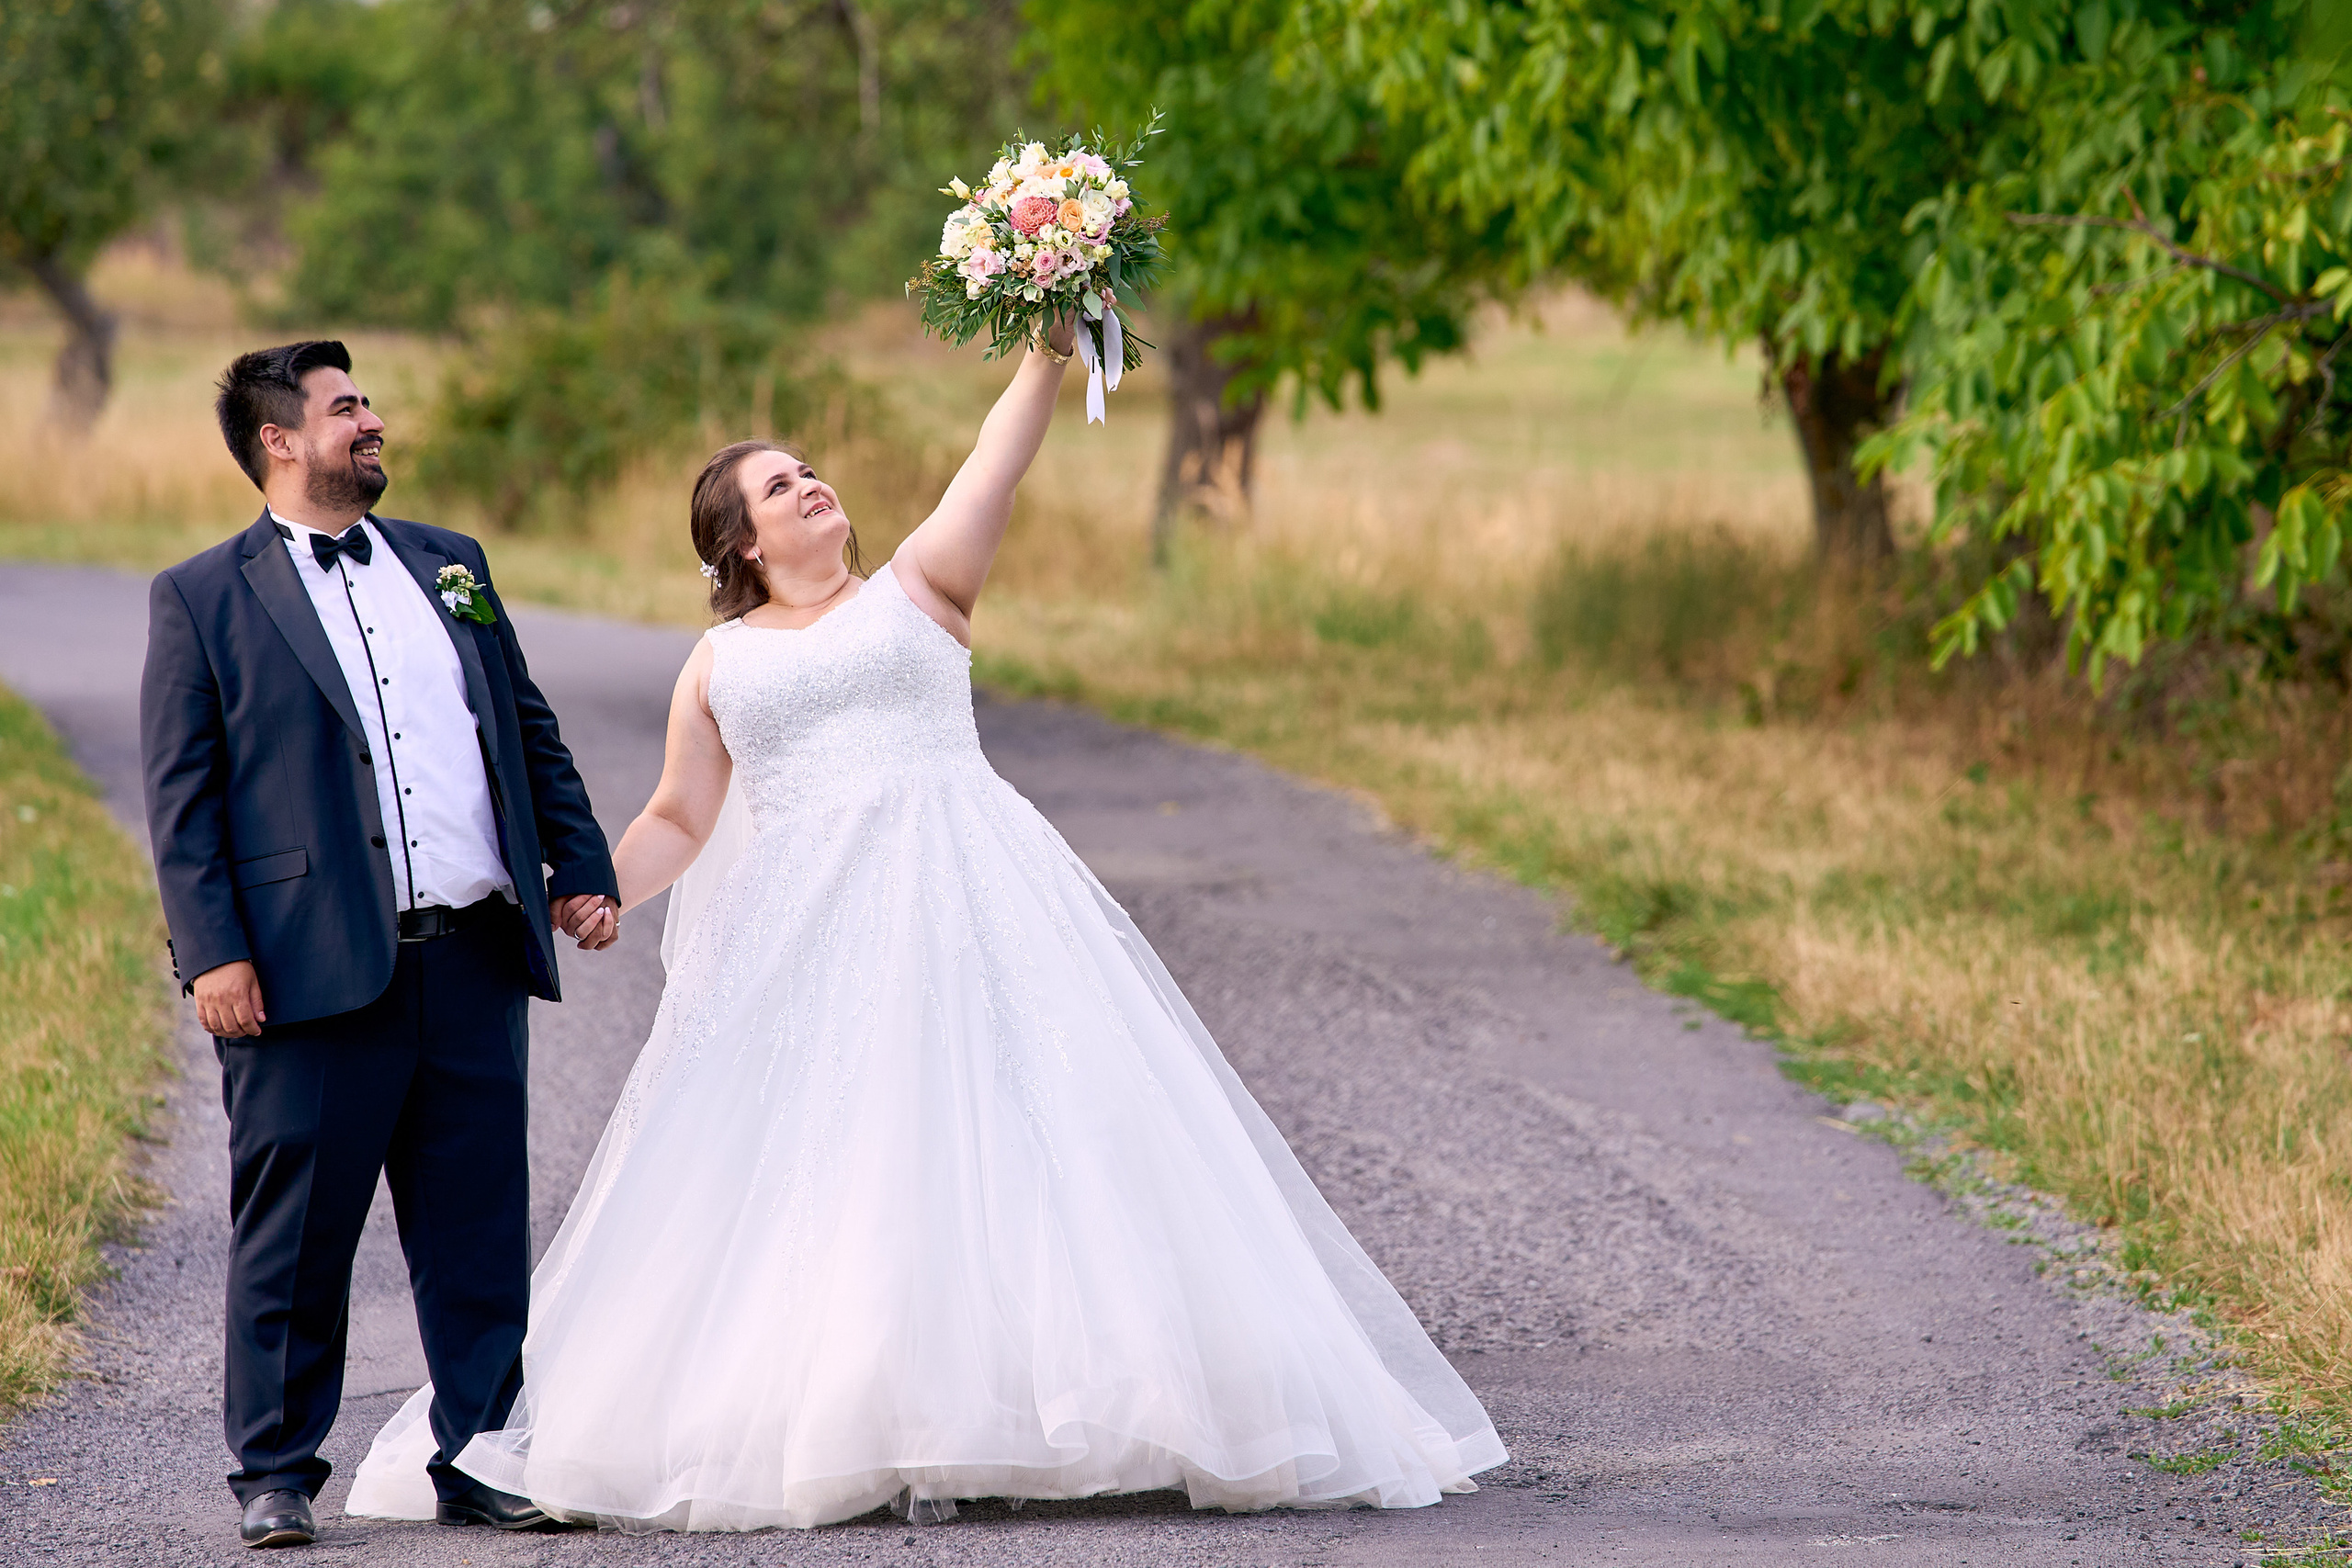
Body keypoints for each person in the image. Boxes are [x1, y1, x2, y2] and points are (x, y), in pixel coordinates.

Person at [347, 314, 1505, 1530]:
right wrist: (592, 895)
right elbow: (682, 813)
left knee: (1033, 1131)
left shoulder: (920, 587)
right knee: (845, 1158)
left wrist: (1045, 349)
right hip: (811, 931)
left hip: (974, 892)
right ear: (741, 541)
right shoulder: (719, 662)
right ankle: (857, 1408)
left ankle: (1078, 1396)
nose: (810, 486)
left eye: (808, 470)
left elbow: (997, 459)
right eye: (780, 486)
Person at [140, 341, 623, 1549]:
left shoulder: (450, 565)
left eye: (365, 404)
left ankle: (484, 1454)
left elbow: (523, 725)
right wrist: (213, 954)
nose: (372, 421)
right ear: (280, 441)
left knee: (475, 1226)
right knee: (296, 1233)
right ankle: (275, 1472)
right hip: (305, 968)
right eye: (346, 408)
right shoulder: (202, 597)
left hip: (467, 951)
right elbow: (182, 798)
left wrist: (581, 861)